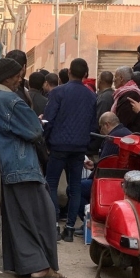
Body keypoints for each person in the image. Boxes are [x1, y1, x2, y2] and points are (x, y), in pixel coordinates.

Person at [0, 58, 65, 278]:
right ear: (7, 77)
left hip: (7, 165)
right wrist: (34, 121)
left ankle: (31, 264)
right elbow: (35, 130)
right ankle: (40, 266)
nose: (20, 79)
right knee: (41, 216)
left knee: (19, 219)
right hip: (22, 166)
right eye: (18, 75)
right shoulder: (10, 100)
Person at [44, 58, 98, 241]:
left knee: (51, 183)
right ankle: (69, 229)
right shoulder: (91, 96)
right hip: (79, 146)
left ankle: (53, 226)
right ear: (85, 75)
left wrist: (46, 142)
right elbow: (93, 124)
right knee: (74, 186)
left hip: (58, 145)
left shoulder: (58, 92)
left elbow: (49, 120)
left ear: (68, 72)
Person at [77, 112, 131, 232]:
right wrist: (94, 166)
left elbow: (105, 163)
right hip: (123, 180)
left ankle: (89, 223)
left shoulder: (112, 138)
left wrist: (91, 175)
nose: (100, 130)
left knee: (75, 188)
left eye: (101, 127)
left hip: (108, 182)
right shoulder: (128, 133)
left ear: (106, 125)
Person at [111, 66, 140, 135]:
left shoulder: (130, 95)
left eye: (115, 77)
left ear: (121, 78)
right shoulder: (126, 93)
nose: (113, 80)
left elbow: (123, 120)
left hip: (129, 138)